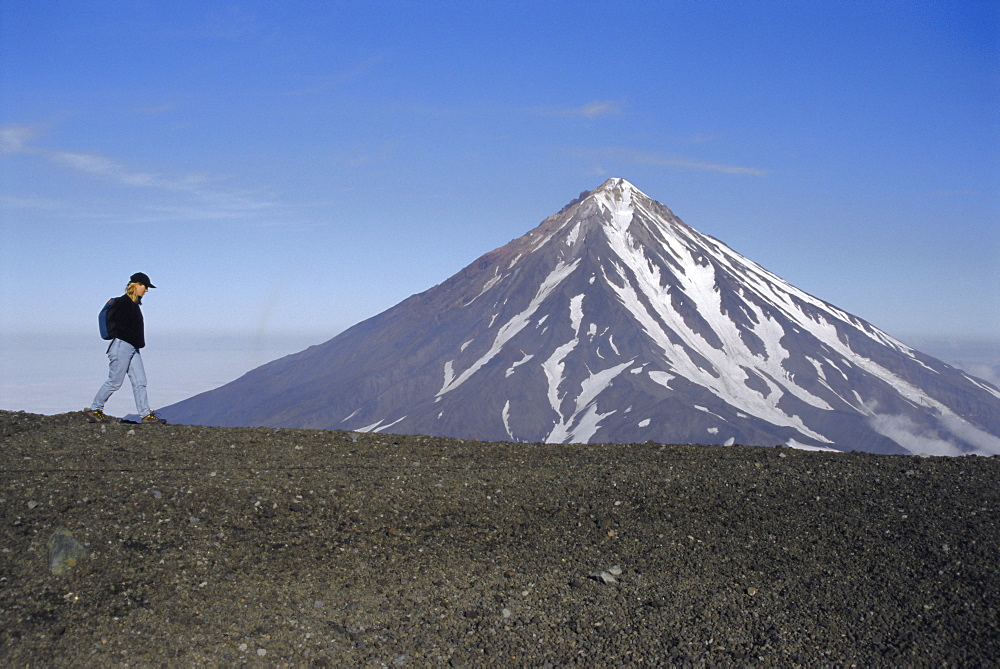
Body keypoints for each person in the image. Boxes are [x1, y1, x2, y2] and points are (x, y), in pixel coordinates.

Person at [85, 272, 167, 424]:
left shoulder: (133, 304)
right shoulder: (123, 303)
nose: (147, 290)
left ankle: (145, 415)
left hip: (132, 348)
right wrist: (123, 334)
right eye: (145, 287)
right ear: (136, 285)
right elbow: (119, 324)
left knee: (140, 381)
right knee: (114, 382)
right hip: (121, 346)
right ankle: (95, 409)